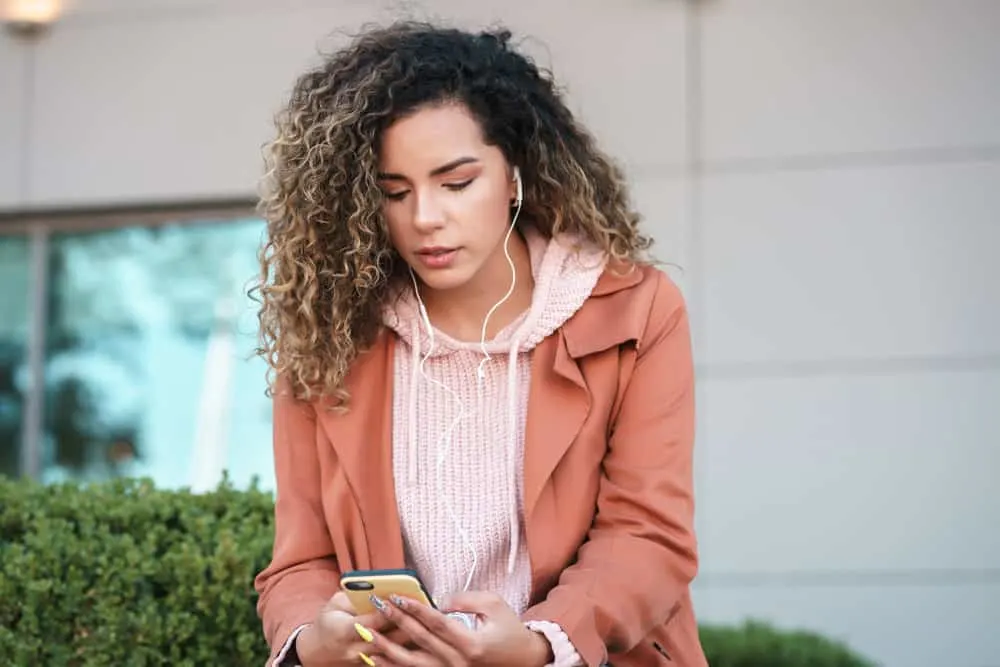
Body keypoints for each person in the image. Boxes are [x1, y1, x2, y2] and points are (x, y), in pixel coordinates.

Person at [252, 20, 706, 667]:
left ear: (514, 172)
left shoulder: (635, 311)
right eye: (394, 193)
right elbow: (300, 561)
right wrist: (314, 640)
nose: (425, 218)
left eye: (457, 182)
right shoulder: (328, 330)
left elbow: (648, 534)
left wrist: (538, 643)